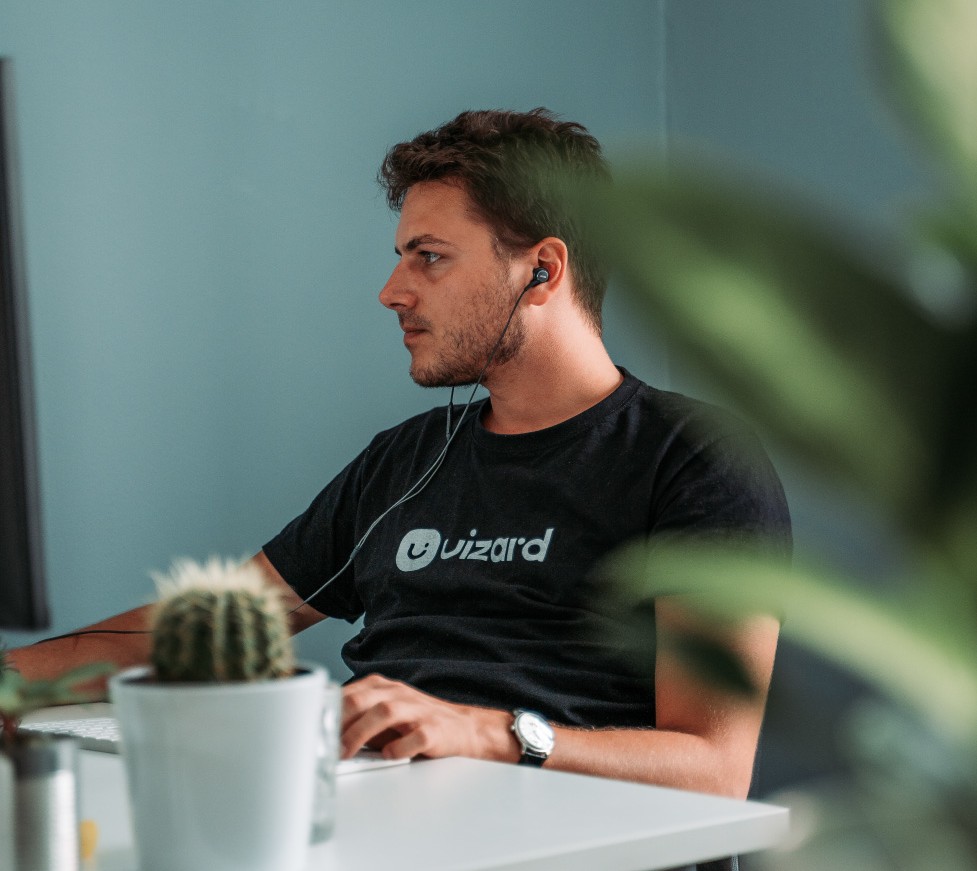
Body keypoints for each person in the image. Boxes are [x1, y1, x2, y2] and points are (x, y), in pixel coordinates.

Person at [8, 108, 789, 803]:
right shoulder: (406, 458)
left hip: (562, 833)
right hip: (375, 814)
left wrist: (487, 732)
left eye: (429, 257)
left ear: (541, 271)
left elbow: (714, 767)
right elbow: (200, 634)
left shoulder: (691, 459)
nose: (392, 289)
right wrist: (15, 684)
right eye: (401, 255)